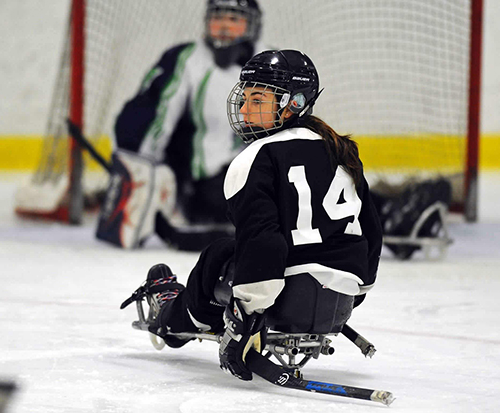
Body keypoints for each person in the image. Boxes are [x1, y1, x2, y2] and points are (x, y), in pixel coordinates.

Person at [122, 50, 383, 381]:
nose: (244, 109)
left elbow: (263, 243)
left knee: (219, 253)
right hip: (341, 298)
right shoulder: (343, 150)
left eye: (257, 99)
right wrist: (349, 295)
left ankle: (172, 319)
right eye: (244, 98)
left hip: (282, 300)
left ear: (294, 103)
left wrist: (244, 317)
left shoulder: (255, 158)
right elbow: (371, 235)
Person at [95, 0, 266, 250]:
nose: (224, 27)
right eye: (218, 18)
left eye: (234, 20)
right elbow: (151, 115)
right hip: (201, 187)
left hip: (251, 178)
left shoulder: (271, 63)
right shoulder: (186, 59)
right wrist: (140, 169)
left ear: (252, 26)